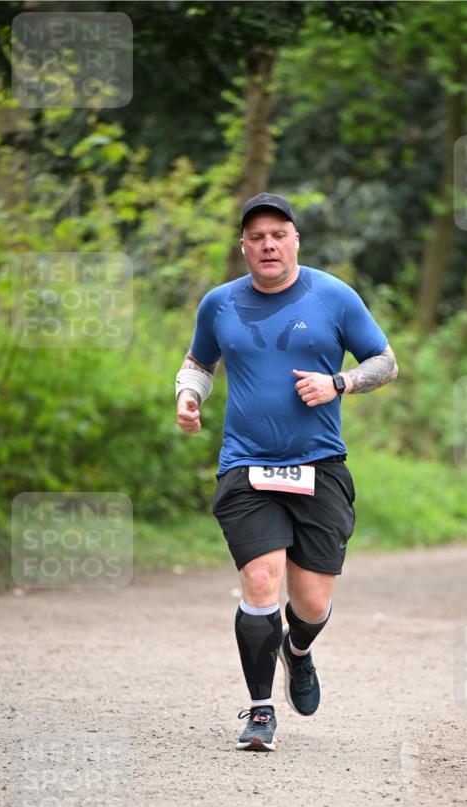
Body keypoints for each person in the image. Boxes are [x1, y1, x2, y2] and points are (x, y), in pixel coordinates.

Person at [175, 192, 398, 751]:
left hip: (319, 468)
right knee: (260, 581)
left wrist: (339, 383)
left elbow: (385, 362)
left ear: (295, 240)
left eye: (278, 234)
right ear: (244, 247)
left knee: (312, 603)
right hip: (246, 468)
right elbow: (199, 362)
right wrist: (188, 394)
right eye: (256, 237)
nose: (268, 245)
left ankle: (296, 651)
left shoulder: (333, 296)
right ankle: (258, 710)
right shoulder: (219, 304)